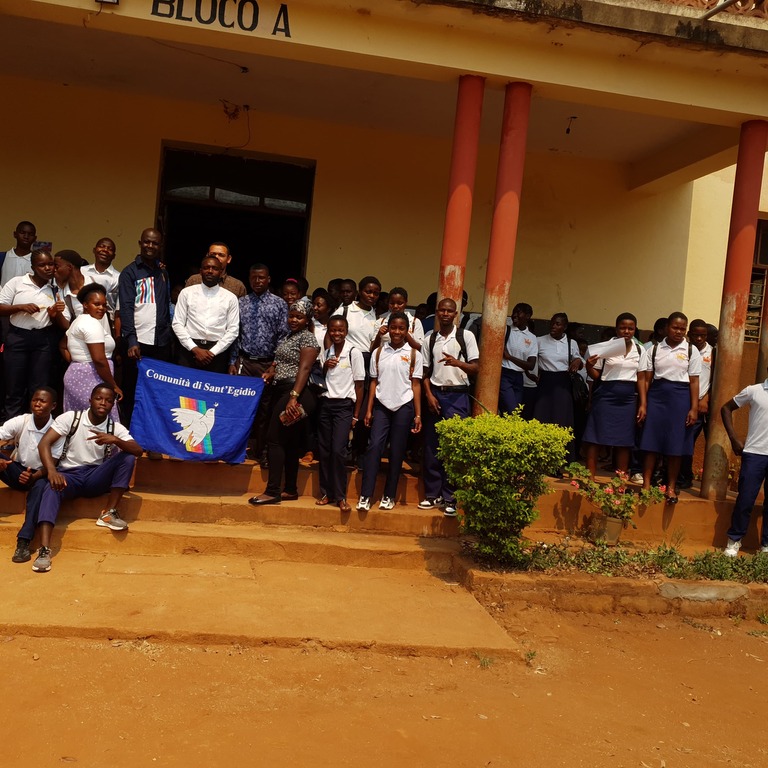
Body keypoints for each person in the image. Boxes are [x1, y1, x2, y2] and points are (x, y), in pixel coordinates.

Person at [31, 384, 143, 572]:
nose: (103, 403)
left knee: (128, 457)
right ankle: (44, 550)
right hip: (69, 475)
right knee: (50, 488)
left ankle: (109, 512)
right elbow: (44, 443)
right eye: (99, 398)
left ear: (113, 405)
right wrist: (52, 471)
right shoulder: (71, 418)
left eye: (108, 400)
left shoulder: (114, 427)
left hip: (95, 477)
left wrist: (116, 440)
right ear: (90, 400)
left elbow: (138, 451)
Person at [248, 302, 320, 505]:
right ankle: (290, 489)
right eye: (291, 316)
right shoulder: (289, 337)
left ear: (307, 320)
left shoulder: (307, 337)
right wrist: (272, 372)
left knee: (274, 439)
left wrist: (294, 397)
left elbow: (304, 369)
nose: (294, 320)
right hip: (284, 390)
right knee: (289, 442)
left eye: (299, 317)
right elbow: (281, 362)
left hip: (298, 393)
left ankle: (272, 491)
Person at [357, 312, 423, 512]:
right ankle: (366, 494)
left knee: (396, 451)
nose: (396, 332)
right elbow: (373, 382)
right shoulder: (378, 352)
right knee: (375, 447)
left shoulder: (414, 354)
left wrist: (418, 414)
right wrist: (368, 410)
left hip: (404, 406)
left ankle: (389, 494)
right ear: (387, 328)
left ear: (407, 330)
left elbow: (416, 385)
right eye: (393, 327)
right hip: (382, 405)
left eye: (401, 328)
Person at [420, 298, 479, 516]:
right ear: (437, 313)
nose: (445, 314)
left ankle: (451, 497)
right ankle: (432, 494)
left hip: (457, 396)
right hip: (435, 395)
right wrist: (428, 396)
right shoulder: (430, 338)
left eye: (449, 311)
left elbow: (476, 367)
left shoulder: (466, 336)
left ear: (456, 314)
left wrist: (458, 363)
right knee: (432, 446)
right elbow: (424, 372)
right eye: (442, 310)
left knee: (453, 447)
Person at [229, 263, 288, 465]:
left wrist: (275, 365)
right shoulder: (241, 303)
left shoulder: (279, 304)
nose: (257, 281)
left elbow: (283, 336)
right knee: (241, 408)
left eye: (261, 278)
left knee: (265, 410)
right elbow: (234, 334)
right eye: (254, 277)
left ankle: (261, 450)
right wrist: (232, 361)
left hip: (267, 365)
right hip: (245, 363)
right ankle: (237, 449)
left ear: (269, 279)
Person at [639, 311, 701, 504]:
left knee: (675, 447)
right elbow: (646, 379)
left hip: (680, 399)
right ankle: (646, 485)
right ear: (667, 327)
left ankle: (671, 488)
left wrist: (694, 408)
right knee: (651, 444)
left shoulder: (691, 350)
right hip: (657, 397)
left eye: (683, 329)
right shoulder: (654, 349)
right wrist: (643, 404)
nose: (679, 332)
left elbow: (694, 381)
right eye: (675, 327)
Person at [0, 250, 69, 418]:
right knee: (14, 385)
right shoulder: (17, 283)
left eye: (50, 264)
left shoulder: (54, 289)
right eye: (42, 265)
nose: (47, 268)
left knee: (38, 386)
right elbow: (1, 307)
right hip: (18, 337)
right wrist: (21, 307)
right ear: (32, 267)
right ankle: (10, 429)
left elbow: (65, 324)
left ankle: (35, 427)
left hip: (43, 340)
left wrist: (56, 314)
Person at [0, 387, 63, 564]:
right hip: (17, 469)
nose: (37, 404)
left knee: (41, 489)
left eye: (43, 401)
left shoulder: (58, 429)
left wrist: (33, 477)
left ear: (53, 406)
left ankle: (24, 541)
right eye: (35, 400)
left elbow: (54, 464)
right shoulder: (23, 420)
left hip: (40, 475)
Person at [118, 228, 173, 427]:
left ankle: (150, 435)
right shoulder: (129, 272)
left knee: (156, 391)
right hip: (138, 343)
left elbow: (165, 306)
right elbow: (125, 308)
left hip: (161, 343)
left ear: (160, 246)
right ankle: (127, 434)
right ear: (140, 243)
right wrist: (131, 340)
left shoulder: (163, 272)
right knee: (132, 389)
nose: (150, 246)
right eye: (147, 242)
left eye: (155, 243)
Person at [582, 312, 648, 479]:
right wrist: (589, 366)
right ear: (616, 329)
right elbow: (596, 375)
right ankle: (590, 478)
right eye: (622, 328)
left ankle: (621, 481)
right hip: (605, 395)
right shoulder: (605, 347)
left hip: (627, 399)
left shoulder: (640, 349)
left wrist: (643, 403)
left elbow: (641, 378)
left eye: (630, 328)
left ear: (635, 330)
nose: (626, 331)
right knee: (595, 437)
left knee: (624, 441)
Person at [315, 316, 365, 513]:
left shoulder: (354, 353)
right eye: (333, 330)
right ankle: (326, 493)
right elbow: (321, 379)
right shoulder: (326, 352)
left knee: (338, 451)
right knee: (325, 451)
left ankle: (341, 496)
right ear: (329, 331)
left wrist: (356, 414)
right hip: (326, 405)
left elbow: (360, 385)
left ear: (346, 331)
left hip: (344, 406)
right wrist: (325, 366)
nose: (337, 334)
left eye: (340, 330)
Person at [721, 372, 768, 557]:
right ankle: (734, 541)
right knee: (745, 500)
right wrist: (733, 439)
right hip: (755, 453)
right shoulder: (754, 390)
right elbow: (726, 408)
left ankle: (766, 546)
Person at [61, 283, 121, 419]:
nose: (102, 308)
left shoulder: (77, 322)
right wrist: (113, 386)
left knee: (78, 421)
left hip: (78, 375)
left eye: (104, 305)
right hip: (90, 378)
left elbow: (62, 346)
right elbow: (99, 360)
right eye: (97, 304)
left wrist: (76, 362)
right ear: (85, 305)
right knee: (99, 420)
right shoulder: (91, 323)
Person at [172, 256, 239, 374]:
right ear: (200, 271)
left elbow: (233, 330)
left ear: (221, 272)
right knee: (185, 390)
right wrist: (195, 349)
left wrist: (212, 352)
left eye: (214, 268)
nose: (210, 271)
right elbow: (177, 324)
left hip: (217, 354)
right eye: (206, 267)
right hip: (189, 351)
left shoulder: (230, 298)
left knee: (212, 390)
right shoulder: (187, 293)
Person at [533, 312, 583, 461]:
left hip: (563, 383)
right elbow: (531, 360)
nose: (553, 326)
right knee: (542, 419)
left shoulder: (571, 343)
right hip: (545, 381)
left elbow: (578, 359)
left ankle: (560, 458)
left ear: (565, 327)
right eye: (552, 323)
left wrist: (577, 361)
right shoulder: (539, 341)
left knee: (561, 420)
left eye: (558, 324)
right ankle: (539, 457)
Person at [679, 319, 713, 489]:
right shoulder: (683, 349)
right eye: (696, 335)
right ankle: (676, 475)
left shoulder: (712, 353)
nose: (699, 339)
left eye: (703, 335)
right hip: (681, 400)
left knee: (690, 441)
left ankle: (685, 477)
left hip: (700, 404)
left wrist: (705, 398)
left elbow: (715, 379)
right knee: (681, 440)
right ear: (689, 334)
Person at [499, 302, 537, 415]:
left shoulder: (532, 338)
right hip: (504, 375)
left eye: (518, 312)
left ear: (528, 316)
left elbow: (531, 365)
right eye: (513, 312)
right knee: (512, 411)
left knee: (516, 411)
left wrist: (509, 357)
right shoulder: (506, 330)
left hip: (519, 378)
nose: (514, 315)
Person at [371, 287, 424, 352]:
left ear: (406, 303)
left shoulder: (414, 322)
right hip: (385, 359)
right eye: (392, 303)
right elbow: (373, 350)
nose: (395, 306)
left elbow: (420, 348)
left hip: (407, 359)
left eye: (399, 303)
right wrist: (379, 335)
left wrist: (404, 332)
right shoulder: (381, 322)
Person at [81, 237, 121, 320]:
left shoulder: (118, 277)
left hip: (106, 321)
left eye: (109, 249)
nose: (105, 250)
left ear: (114, 256)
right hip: (82, 319)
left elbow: (118, 309)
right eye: (102, 246)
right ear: (94, 250)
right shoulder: (82, 271)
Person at [1, 221, 37, 288]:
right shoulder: (3, 257)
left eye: (30, 234)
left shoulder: (37, 261)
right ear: (15, 234)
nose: (26, 236)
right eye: (22, 233)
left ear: (35, 238)